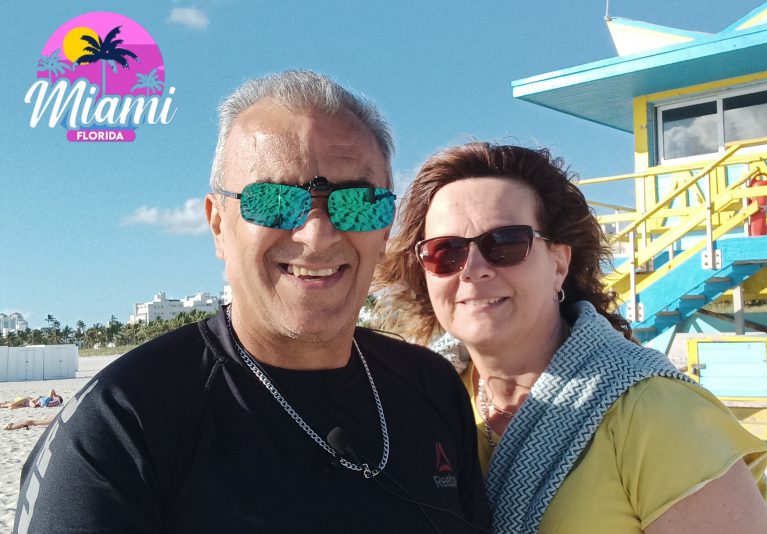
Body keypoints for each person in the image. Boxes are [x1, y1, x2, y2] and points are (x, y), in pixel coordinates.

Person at [15, 71, 489, 533]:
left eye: (357, 203)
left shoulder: (431, 389)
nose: (317, 235)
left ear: (384, 229)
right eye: (274, 202)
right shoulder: (122, 423)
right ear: (218, 225)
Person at [377, 142, 767, 533]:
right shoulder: (422, 402)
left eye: (505, 243)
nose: (473, 270)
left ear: (558, 264)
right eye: (446, 251)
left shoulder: (654, 413)